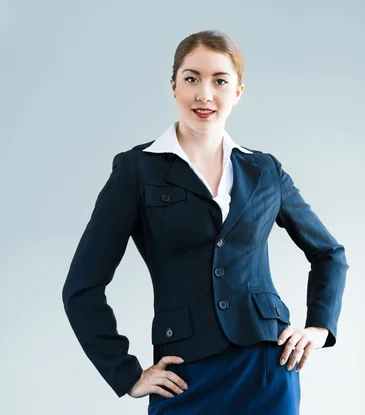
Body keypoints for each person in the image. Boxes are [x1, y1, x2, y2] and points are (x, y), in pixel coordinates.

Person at [61, 29, 348, 415]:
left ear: (238, 93)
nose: (204, 94)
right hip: (184, 373)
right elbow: (81, 287)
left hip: (267, 366)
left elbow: (329, 252)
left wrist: (318, 328)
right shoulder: (137, 170)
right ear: (174, 86)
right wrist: (126, 373)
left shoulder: (265, 170)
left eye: (220, 81)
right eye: (192, 78)